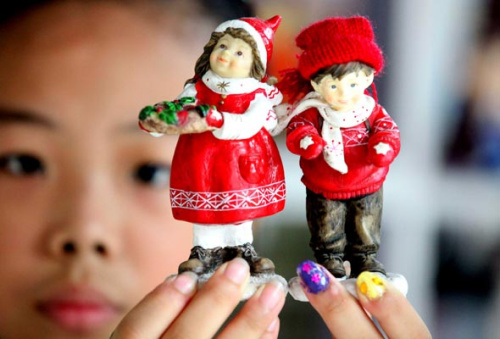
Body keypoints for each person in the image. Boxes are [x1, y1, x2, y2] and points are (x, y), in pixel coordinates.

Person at [0, 1, 430, 337]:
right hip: (207, 169)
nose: (86, 232)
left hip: (248, 169)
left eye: (149, 173)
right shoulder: (196, 92)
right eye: (22, 163)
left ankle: (328, 256)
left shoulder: (264, 99)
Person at [138, 14, 286, 277]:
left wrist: (219, 119)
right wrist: (160, 121)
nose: (227, 55)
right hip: (201, 156)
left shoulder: (258, 95)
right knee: (205, 202)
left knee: (238, 205)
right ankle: (204, 250)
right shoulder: (197, 87)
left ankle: (242, 247)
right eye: (223, 46)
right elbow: (180, 110)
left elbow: (251, 123)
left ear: (254, 63)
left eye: (239, 52)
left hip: (242, 157)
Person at [279, 16, 401, 279]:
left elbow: (387, 129)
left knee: (365, 221)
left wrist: (383, 145)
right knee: (326, 223)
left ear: (368, 78)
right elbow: (299, 127)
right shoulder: (313, 111)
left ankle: (364, 257)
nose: (344, 94)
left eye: (353, 84)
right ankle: (330, 257)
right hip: (325, 182)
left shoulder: (371, 110)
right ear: (315, 84)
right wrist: (306, 140)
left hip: (366, 179)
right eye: (333, 86)